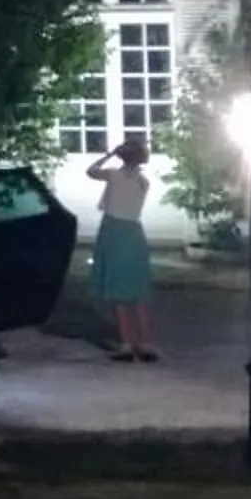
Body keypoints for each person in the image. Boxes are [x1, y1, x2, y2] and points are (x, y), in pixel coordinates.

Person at [85, 138, 159, 362]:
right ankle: (145, 343)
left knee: (119, 293)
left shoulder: (114, 175)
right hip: (134, 233)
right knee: (138, 292)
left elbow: (91, 171)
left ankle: (127, 344)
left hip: (113, 231)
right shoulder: (143, 181)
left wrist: (109, 154)